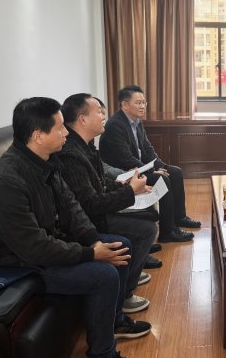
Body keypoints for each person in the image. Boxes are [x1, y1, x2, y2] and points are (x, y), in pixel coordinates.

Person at [0, 97, 151, 358]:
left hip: (42, 248)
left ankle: (114, 322)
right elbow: (34, 248)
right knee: (105, 274)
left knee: (118, 247)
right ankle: (103, 353)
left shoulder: (44, 161)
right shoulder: (4, 183)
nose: (66, 132)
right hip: (14, 265)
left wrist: (93, 240)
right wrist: (91, 254)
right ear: (38, 136)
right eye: (60, 128)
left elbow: (71, 207)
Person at [59, 93, 158, 314]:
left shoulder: (85, 145)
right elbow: (91, 204)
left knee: (149, 215)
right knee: (146, 229)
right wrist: (130, 192)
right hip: (88, 221)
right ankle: (125, 293)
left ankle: (130, 275)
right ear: (82, 119)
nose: (104, 116)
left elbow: (100, 182)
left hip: (95, 213)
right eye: (99, 112)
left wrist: (129, 187)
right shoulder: (71, 154)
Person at [99, 85, 199, 242]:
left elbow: (147, 149)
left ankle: (179, 217)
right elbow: (125, 159)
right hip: (124, 173)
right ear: (124, 104)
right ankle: (168, 231)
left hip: (138, 167)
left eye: (144, 102)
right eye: (138, 103)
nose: (142, 106)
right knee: (162, 179)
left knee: (174, 172)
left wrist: (161, 166)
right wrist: (152, 172)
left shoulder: (136, 121)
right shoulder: (115, 125)